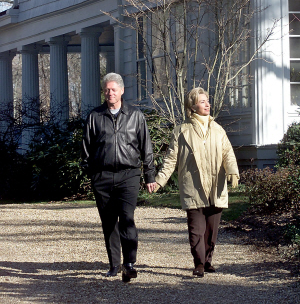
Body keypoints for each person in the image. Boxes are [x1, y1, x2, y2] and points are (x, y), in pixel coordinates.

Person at [154, 87, 239, 278]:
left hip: (215, 187)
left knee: (211, 231)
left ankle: (208, 260)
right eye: (202, 101)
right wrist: (159, 180)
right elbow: (170, 160)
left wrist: (233, 171)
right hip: (193, 187)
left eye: (207, 100)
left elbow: (228, 153)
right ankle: (199, 263)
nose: (207, 104)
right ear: (192, 106)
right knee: (196, 230)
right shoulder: (181, 131)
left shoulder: (218, 130)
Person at [82, 72, 156, 282]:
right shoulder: (95, 116)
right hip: (102, 177)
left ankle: (129, 263)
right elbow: (86, 148)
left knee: (127, 218)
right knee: (109, 222)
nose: (109, 93)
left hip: (128, 175)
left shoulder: (135, 116)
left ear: (122, 91)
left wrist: (149, 175)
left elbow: (146, 148)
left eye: (113, 89)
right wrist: (92, 174)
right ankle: (114, 264)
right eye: (106, 90)